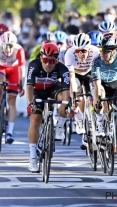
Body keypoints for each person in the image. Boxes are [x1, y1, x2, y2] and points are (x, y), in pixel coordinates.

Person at [26, 43, 71, 172]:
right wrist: (30, 104)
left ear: (56, 60)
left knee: (65, 100)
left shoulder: (63, 69)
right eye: (45, 60)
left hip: (53, 90)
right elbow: (29, 87)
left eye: (51, 61)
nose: (48, 64)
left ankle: (60, 126)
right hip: (37, 92)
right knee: (35, 119)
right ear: (41, 58)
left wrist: (64, 107)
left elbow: (67, 90)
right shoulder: (34, 65)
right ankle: (33, 157)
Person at [0, 31, 26, 144]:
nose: (8, 50)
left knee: (11, 100)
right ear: (1, 44)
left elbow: (22, 70)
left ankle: (9, 132)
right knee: (0, 83)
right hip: (0, 68)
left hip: (13, 71)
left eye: (10, 46)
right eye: (5, 46)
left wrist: (20, 85)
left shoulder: (19, 50)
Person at [65, 33, 100, 137]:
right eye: (78, 51)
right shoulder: (69, 54)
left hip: (89, 73)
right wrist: (74, 97)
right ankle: (79, 118)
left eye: (84, 51)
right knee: (78, 96)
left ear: (88, 49)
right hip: (76, 74)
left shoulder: (95, 52)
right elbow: (71, 78)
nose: (81, 54)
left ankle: (97, 117)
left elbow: (97, 77)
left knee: (95, 92)